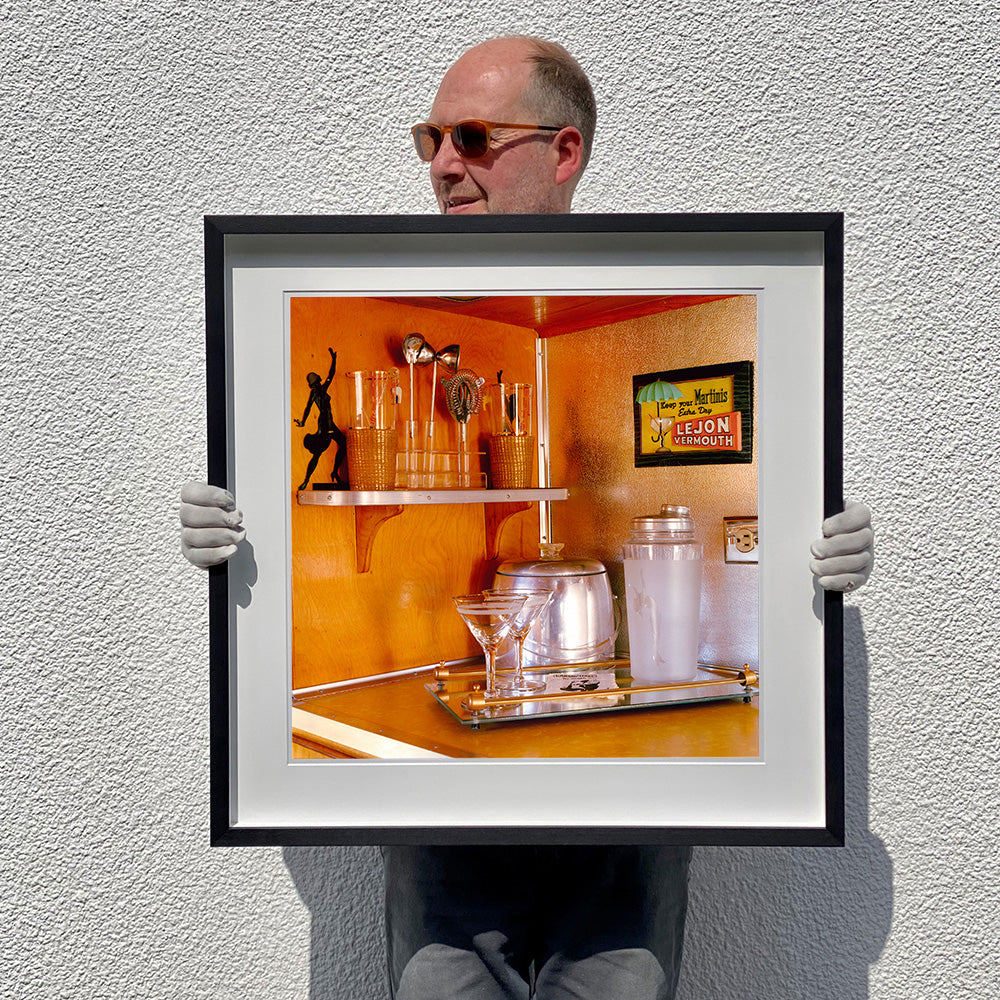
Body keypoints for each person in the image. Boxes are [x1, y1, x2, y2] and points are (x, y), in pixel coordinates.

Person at [180, 36, 874, 1000]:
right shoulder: (346, 290)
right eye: (428, 138)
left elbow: (758, 484)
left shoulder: (675, 286)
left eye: (470, 136)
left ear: (565, 150)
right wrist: (234, 536)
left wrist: (815, 544)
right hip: (442, 811)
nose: (441, 164)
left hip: (630, 818)